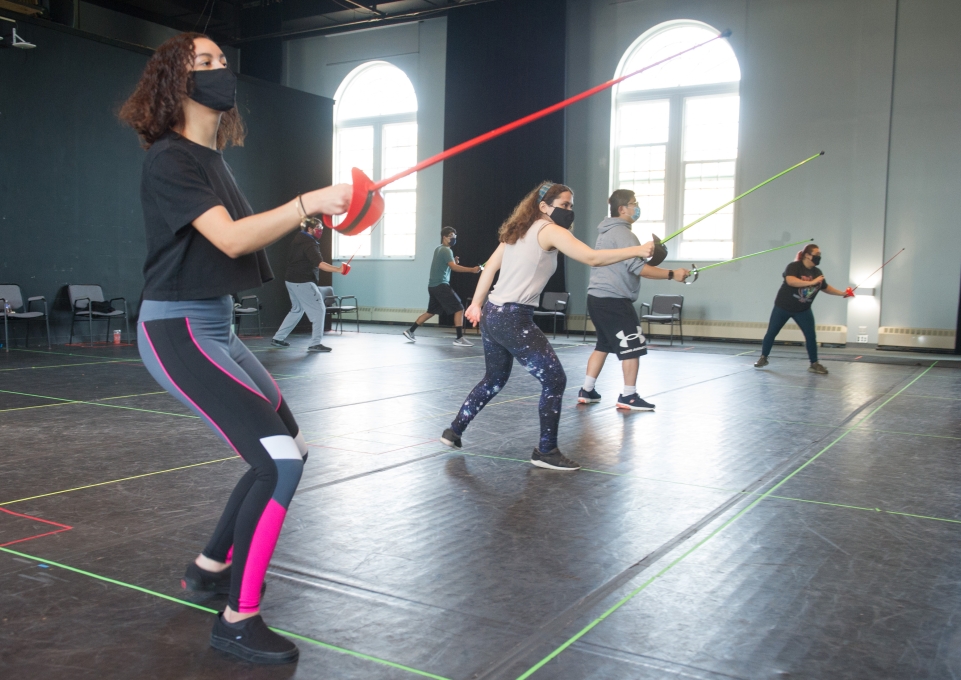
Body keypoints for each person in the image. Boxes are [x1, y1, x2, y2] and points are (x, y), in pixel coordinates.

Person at [120, 33, 351, 664]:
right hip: (178, 332)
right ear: (175, 81)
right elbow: (227, 240)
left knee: (289, 448)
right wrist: (306, 200)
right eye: (205, 63)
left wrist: (306, 217)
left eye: (224, 60)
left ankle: (207, 568)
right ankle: (237, 619)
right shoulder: (170, 160)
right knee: (280, 464)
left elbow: (246, 239)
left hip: (215, 327)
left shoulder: (211, 157)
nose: (222, 70)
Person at [439, 182, 654, 471]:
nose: (569, 210)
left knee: (494, 379)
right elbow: (591, 258)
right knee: (555, 379)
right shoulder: (549, 230)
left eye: (570, 205)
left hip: (493, 313)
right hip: (513, 317)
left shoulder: (517, 231)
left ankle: (454, 431)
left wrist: (477, 305)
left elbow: (490, 268)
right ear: (543, 206)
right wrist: (637, 249)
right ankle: (545, 451)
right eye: (564, 205)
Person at [578, 190, 690, 410]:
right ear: (622, 209)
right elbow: (640, 269)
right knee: (633, 344)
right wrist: (672, 274)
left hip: (596, 298)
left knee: (604, 344)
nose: (636, 207)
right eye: (633, 204)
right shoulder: (624, 233)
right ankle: (628, 396)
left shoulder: (607, 231)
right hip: (613, 300)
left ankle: (587, 390)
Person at [754, 243, 851, 374]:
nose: (819, 257)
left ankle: (814, 364)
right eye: (816, 255)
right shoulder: (794, 267)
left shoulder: (817, 273)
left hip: (803, 309)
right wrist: (811, 282)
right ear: (807, 255)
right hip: (783, 306)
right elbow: (791, 281)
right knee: (772, 332)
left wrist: (842, 293)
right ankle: (763, 357)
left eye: (820, 255)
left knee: (811, 336)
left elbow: (825, 287)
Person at [271, 221, 347, 353]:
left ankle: (278, 338)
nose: (320, 230)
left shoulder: (297, 240)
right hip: (303, 281)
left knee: (297, 309)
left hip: (290, 280)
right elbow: (320, 264)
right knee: (319, 310)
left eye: (321, 227)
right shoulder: (309, 244)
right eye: (318, 227)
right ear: (309, 228)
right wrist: (339, 269)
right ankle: (315, 343)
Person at [404, 226, 481, 346]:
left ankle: (410, 331)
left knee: (431, 312)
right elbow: (453, 268)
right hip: (441, 285)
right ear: (444, 237)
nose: (453, 238)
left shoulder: (438, 249)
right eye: (451, 236)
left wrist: (453, 262)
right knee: (459, 308)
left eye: (455, 236)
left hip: (433, 286)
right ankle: (459, 338)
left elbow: (445, 265)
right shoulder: (446, 250)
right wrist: (472, 270)